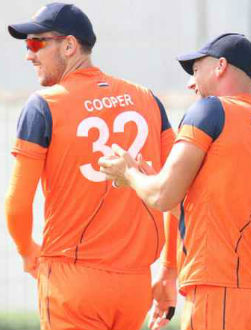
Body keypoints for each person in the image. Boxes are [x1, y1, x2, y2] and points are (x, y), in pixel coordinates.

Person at [4, 3, 174, 330]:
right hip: (134, 284)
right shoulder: (147, 98)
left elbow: (17, 203)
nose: (29, 54)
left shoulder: (44, 105)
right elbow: (177, 193)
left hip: (73, 279)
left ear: (69, 46)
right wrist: (169, 269)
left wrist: (27, 251)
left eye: (36, 43)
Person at [100, 32, 251, 330]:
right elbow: (210, 211)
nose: (191, 82)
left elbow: (162, 197)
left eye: (197, 69)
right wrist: (148, 178)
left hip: (220, 290)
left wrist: (128, 174)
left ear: (221, 66)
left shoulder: (212, 109)